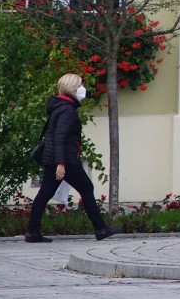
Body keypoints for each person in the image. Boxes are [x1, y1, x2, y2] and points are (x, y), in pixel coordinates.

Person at [25, 73, 121, 242]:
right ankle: (100, 229)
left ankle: (32, 232)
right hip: (66, 160)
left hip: (54, 158)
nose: (82, 89)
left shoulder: (60, 106)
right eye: (79, 86)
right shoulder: (67, 110)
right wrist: (61, 164)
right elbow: (60, 137)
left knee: (45, 193)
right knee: (86, 188)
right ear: (72, 89)